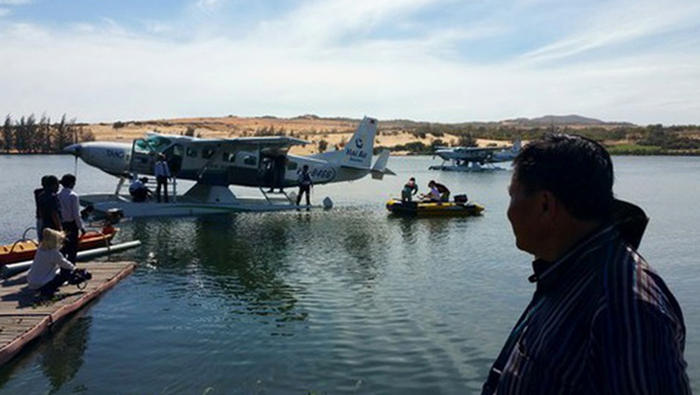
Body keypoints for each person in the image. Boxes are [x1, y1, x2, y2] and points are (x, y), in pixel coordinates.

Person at [481, 134, 690, 394]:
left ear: (545, 205)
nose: (509, 212)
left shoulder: (626, 307)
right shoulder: (568, 272)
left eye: (513, 197)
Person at [27, 228, 76, 299]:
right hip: (40, 283)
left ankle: (46, 287)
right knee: (63, 274)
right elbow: (64, 263)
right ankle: (48, 289)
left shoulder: (40, 250)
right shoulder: (54, 253)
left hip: (31, 282)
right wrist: (74, 268)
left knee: (54, 269)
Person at [58, 174, 85, 264]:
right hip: (71, 225)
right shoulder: (73, 196)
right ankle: (71, 266)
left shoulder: (58, 195)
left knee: (63, 247)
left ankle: (63, 267)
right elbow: (76, 214)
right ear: (72, 183)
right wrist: (81, 227)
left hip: (61, 224)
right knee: (72, 249)